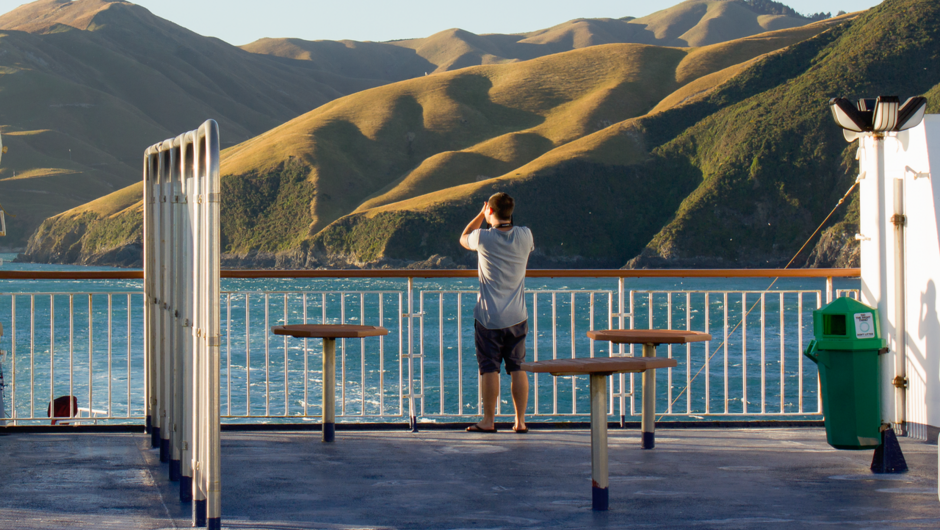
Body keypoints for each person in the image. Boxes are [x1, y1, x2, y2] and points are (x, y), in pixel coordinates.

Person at [459, 192, 534, 433]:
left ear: (490, 211)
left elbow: (463, 238)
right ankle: (520, 422)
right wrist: (492, 213)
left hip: (489, 317)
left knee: (489, 368)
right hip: (517, 315)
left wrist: (481, 215)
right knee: (518, 367)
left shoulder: (482, 238)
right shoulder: (525, 234)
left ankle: (488, 421)